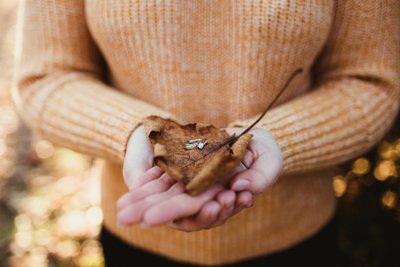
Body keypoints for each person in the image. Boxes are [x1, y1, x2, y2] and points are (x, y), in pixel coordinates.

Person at [13, 0, 399, 266]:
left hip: (296, 237)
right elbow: (47, 76)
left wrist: (277, 137)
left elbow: (369, 82)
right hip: (139, 241)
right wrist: (140, 132)